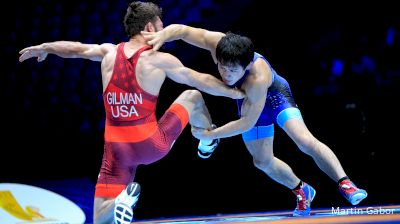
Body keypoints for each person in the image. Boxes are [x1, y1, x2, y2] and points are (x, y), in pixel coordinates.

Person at [19, 2, 243, 224]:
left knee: (99, 219)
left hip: (116, 151)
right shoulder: (159, 60)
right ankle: (206, 141)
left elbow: (76, 48)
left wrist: (45, 47)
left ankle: (121, 201)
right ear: (149, 28)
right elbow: (200, 80)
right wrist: (233, 93)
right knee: (192, 97)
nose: (164, 34)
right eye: (161, 28)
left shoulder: (107, 52)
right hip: (150, 144)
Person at [142, 24, 368, 216]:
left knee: (303, 140)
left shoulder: (257, 78)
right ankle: (302, 190)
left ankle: (345, 183)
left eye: (232, 70)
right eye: (222, 66)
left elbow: (246, 124)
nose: (225, 74)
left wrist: (212, 134)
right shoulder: (217, 43)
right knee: (262, 162)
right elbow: (182, 30)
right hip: (248, 103)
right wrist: (162, 35)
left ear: (247, 65)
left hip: (276, 97)